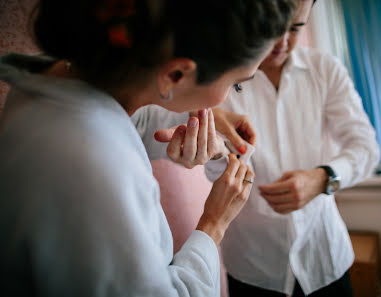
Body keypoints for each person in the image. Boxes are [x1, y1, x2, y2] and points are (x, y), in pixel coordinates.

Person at [0, 1, 296, 296]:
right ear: (175, 74)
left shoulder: (60, 82)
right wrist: (212, 226)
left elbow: (133, 122)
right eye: (237, 84)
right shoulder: (93, 168)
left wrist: (205, 127)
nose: (226, 98)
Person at [204, 0, 381, 296]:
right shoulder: (223, 78)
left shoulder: (325, 69)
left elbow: (365, 147)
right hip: (253, 265)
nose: (282, 42)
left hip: (323, 256)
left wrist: (323, 177)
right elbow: (215, 170)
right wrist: (220, 157)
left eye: (296, 28)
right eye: (274, 28)